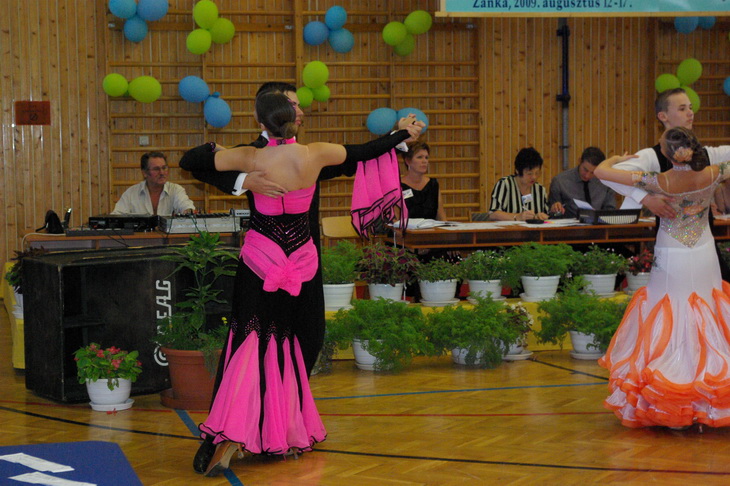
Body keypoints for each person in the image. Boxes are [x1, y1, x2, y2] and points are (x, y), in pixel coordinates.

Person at [181, 92, 422, 476]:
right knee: (284, 347)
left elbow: (191, 159)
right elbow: (365, 151)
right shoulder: (316, 154)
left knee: (249, 345)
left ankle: (229, 432)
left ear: (260, 121)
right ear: (292, 121)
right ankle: (275, 432)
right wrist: (401, 134)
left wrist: (242, 175)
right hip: (301, 262)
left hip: (262, 264)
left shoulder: (249, 157)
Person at [594, 127, 730, 429]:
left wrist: (616, 159)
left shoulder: (658, 181)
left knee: (668, 315)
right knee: (706, 313)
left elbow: (601, 172)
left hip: (672, 255)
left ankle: (672, 395)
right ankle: (706, 401)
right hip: (704, 252)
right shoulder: (714, 173)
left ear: (668, 154)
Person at [111, 152, 195, 216]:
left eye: (164, 168)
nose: (162, 172)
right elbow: (116, 216)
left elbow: (186, 207)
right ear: (145, 173)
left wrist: (188, 211)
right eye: (156, 169)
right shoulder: (131, 193)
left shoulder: (176, 190)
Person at [548, 146, 616, 218]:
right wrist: (555, 209)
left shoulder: (606, 182)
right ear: (579, 161)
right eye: (585, 170)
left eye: (593, 172)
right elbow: (552, 215)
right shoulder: (560, 182)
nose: (587, 176)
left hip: (599, 223)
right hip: (569, 224)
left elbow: (610, 212)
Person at [488, 147, 549, 221]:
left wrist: (541, 216)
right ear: (517, 171)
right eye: (529, 173)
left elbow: (547, 214)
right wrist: (517, 217)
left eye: (537, 173)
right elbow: (493, 214)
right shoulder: (505, 185)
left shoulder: (540, 190)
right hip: (508, 228)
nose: (534, 177)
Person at [400, 141, 446, 221]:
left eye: (426, 157)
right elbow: (395, 219)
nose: (424, 161)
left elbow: (441, 215)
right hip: (407, 229)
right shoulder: (398, 185)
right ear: (408, 161)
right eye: (419, 157)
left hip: (431, 228)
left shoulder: (433, 185)